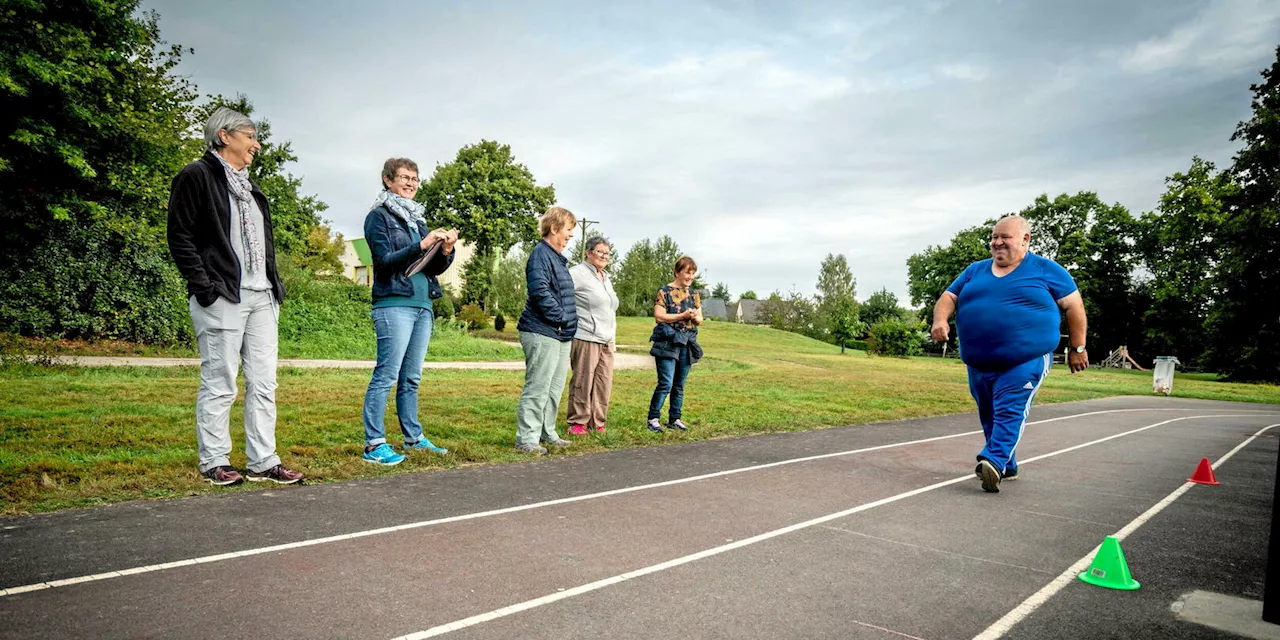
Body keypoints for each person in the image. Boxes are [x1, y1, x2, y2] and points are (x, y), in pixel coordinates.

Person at [166, 107, 303, 486]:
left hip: (262, 297)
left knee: (263, 383)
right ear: (224, 136)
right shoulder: (196, 175)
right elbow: (180, 236)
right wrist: (204, 287)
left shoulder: (250, 187)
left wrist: (273, 286)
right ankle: (215, 460)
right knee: (220, 380)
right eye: (250, 135)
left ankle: (263, 461)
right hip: (223, 294)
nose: (256, 144)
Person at [930, 215, 1089, 493]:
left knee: (1010, 409)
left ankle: (993, 460)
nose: (997, 242)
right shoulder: (974, 271)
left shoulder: (1046, 270)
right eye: (994, 237)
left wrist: (1077, 348)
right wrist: (940, 320)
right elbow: (949, 297)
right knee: (989, 414)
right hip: (978, 362)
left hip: (1025, 360)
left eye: (1005, 237)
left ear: (1025, 239)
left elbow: (1075, 307)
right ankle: (1007, 463)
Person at [359, 158, 459, 466]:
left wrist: (445, 250)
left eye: (415, 178)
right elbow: (385, 260)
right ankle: (374, 444)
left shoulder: (418, 221)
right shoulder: (378, 217)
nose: (411, 183)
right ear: (388, 180)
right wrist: (421, 245)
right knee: (387, 374)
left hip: (422, 305)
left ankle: (413, 438)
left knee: (411, 377)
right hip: (393, 304)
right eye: (404, 177)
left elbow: (435, 268)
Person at [515, 207, 578, 455]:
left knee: (554, 388)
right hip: (541, 330)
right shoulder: (540, 255)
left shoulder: (558, 258)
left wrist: (567, 324)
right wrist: (561, 319)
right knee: (538, 387)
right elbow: (540, 291)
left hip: (561, 334)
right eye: (568, 230)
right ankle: (526, 439)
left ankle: (547, 432)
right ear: (554, 228)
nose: (571, 236)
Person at [567, 236, 619, 435]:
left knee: (603, 382)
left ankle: (597, 422)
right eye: (600, 251)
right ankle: (577, 422)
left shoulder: (606, 277)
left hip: (607, 339)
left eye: (607, 253)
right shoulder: (577, 273)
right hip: (586, 336)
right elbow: (562, 296)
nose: (604, 256)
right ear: (588, 252)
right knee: (583, 381)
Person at [647, 256, 704, 433]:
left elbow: (700, 319)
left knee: (679, 385)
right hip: (667, 342)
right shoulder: (664, 291)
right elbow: (659, 316)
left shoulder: (694, 294)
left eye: (693, 273)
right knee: (666, 383)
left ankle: (675, 419)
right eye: (687, 272)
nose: (690, 276)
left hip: (687, 342)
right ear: (677, 272)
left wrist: (694, 317)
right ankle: (653, 418)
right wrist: (682, 316)